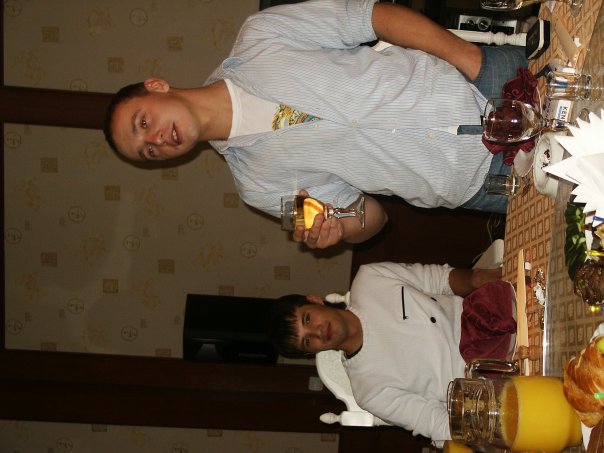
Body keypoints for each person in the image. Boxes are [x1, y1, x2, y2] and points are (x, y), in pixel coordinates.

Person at [104, 0, 527, 250]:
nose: (156, 139)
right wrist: (339, 230)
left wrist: (468, 58)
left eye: (144, 122)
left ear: (156, 86)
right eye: (148, 151)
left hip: (481, 82)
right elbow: (373, 218)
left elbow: (371, 16)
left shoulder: (260, 36)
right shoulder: (258, 187)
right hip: (477, 182)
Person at [266, 262, 515, 446]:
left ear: (314, 300)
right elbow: (433, 422)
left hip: (494, 312)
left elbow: (439, 279)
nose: (318, 332)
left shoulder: (370, 278)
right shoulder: (369, 391)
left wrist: (475, 278)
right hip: (495, 383)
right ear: (313, 353)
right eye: (308, 341)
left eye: (307, 319)